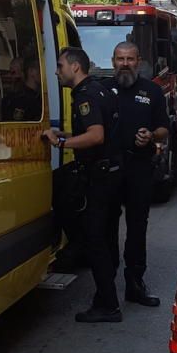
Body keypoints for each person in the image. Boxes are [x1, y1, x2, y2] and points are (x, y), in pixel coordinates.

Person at [42, 46, 122, 323]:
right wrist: (66, 134)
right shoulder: (100, 90)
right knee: (107, 237)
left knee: (94, 240)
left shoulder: (86, 95)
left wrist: (62, 142)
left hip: (99, 177)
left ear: (75, 67)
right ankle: (106, 297)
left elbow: (96, 136)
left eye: (60, 65)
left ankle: (108, 305)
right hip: (112, 173)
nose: (57, 71)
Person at [101, 41, 168, 308]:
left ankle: (135, 283)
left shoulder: (152, 91)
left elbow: (164, 127)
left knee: (137, 227)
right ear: (113, 60)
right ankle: (106, 286)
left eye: (130, 59)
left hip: (139, 167)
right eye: (120, 59)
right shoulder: (103, 90)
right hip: (109, 169)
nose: (125, 63)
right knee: (107, 226)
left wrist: (151, 134)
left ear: (138, 61)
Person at [0, 55, 42, 121]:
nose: (12, 77)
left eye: (14, 72)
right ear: (30, 71)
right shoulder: (15, 100)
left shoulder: (38, 97)